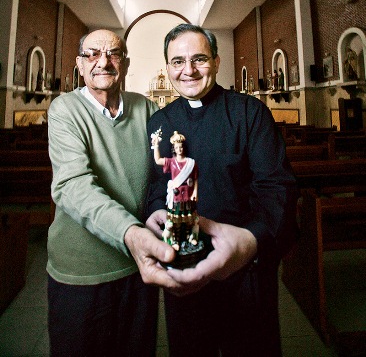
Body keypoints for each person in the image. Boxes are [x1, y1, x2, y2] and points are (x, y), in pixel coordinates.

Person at [146, 23, 299, 357]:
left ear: (216, 61)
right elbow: (157, 186)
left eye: (199, 59)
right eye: (177, 62)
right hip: (184, 266)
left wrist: (251, 240)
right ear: (167, 67)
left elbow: (277, 188)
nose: (188, 70)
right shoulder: (159, 122)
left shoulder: (249, 113)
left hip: (245, 268)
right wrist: (156, 210)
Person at [47, 28, 178, 357]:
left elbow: (165, 172)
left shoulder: (146, 109)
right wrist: (131, 233)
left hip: (138, 267)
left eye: (113, 54)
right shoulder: (65, 110)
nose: (102, 62)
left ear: (126, 63)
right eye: (92, 54)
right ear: (79, 64)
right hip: (82, 272)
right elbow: (72, 185)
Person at [151, 129, 202, 264]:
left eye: (181, 147)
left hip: (188, 196)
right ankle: (175, 240)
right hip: (176, 198)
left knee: (189, 220)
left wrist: (195, 192)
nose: (179, 149)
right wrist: (156, 145)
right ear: (174, 148)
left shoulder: (191, 163)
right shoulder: (171, 162)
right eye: (177, 147)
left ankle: (190, 238)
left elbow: (195, 179)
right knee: (175, 221)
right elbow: (157, 160)